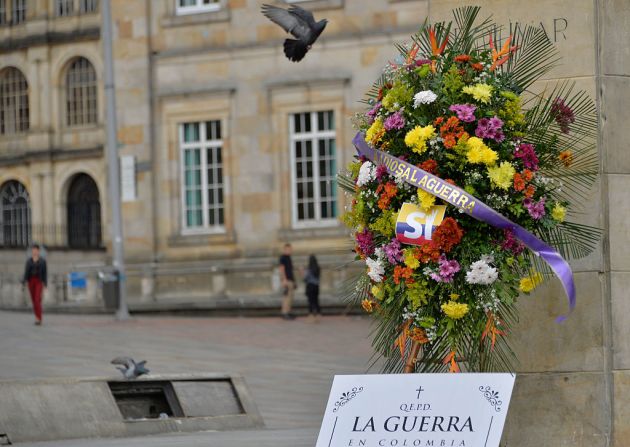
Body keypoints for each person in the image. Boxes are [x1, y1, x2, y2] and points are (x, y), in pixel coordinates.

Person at [22, 244, 47, 325]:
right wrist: (24, 282)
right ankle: (37, 317)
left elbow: (45, 273)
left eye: (36, 250)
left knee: (37, 299)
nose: (35, 251)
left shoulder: (43, 261)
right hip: (31, 281)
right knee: (34, 300)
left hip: (39, 281)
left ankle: (39, 318)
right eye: (33, 250)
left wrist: (45, 283)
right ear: (32, 251)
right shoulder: (28, 261)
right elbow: (26, 273)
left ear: (38, 251)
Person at [278, 243, 296, 320]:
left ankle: (288, 312)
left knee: (290, 297)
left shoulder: (289, 257)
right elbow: (281, 269)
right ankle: (284, 313)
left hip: (290, 280)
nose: (290, 250)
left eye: (290, 249)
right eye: (289, 249)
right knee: (287, 298)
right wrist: (284, 280)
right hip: (287, 280)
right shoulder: (283, 258)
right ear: (285, 249)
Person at [304, 254, 322, 321]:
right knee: (316, 300)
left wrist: (302, 272)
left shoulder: (309, 269)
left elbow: (306, 278)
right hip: (316, 286)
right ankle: (318, 314)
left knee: (310, 301)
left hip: (310, 286)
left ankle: (311, 314)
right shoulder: (318, 268)